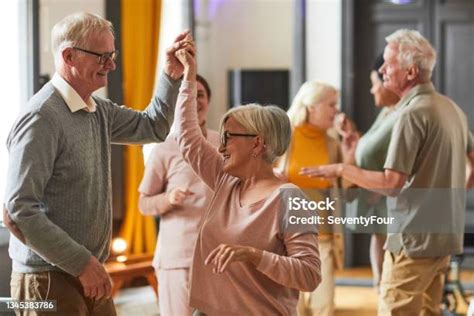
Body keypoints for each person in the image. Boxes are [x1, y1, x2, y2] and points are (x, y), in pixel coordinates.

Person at [3, 12, 191, 315]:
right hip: (46, 279)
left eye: (112, 55)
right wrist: (82, 263)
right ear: (69, 56)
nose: (112, 65)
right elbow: (17, 211)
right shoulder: (41, 118)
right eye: (103, 57)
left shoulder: (98, 110)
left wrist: (170, 75)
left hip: (86, 270)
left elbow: (153, 127)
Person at [301, 29, 474, 315]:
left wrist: (343, 168)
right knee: (429, 312)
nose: (382, 69)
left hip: (413, 239)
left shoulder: (411, 113)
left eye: (389, 63)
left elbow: (391, 183)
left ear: (411, 72)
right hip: (445, 236)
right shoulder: (450, 108)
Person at [172, 44, 321, 315]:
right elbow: (188, 137)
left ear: (257, 144)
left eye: (229, 137)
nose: (221, 146)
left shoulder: (291, 199)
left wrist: (254, 255)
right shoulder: (225, 179)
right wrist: (189, 76)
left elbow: (310, 274)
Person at [138, 74, 219, 316]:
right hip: (178, 258)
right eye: (188, 95)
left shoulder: (223, 143)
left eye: (200, 95)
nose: (195, 100)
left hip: (218, 257)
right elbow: (144, 203)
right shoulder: (164, 147)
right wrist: (169, 198)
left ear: (209, 101)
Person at [277, 81, 344, 316]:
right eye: (331, 105)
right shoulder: (283, 138)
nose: (337, 110)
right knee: (291, 308)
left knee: (324, 306)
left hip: (322, 237)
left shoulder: (333, 143)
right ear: (311, 107)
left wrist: (352, 151)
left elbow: (346, 186)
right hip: (284, 239)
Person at [337, 54, 400, 291]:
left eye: (375, 83)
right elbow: (375, 145)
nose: (372, 90)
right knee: (379, 243)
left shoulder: (403, 116)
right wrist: (355, 138)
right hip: (376, 197)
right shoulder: (386, 112)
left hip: (386, 196)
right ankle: (379, 286)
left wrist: (380, 188)